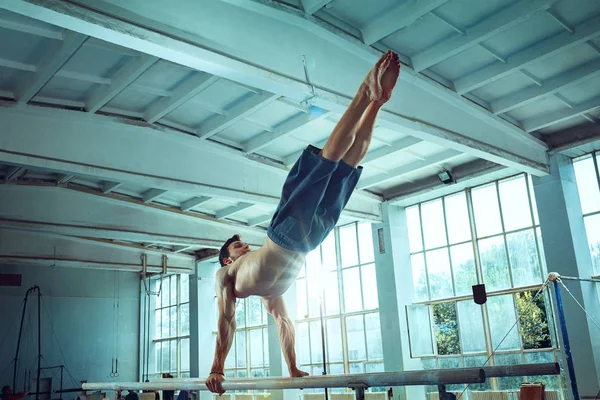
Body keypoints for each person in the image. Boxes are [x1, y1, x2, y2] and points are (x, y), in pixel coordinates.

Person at [205, 51, 401, 395]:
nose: (244, 246)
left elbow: (278, 323)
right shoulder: (230, 277)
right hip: (309, 239)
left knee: (330, 163)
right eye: (237, 246)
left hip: (285, 236)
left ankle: (365, 95)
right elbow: (233, 321)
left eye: (242, 243)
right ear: (226, 259)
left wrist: (292, 366)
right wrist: (218, 368)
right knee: (346, 168)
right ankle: (377, 103)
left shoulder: (260, 282)